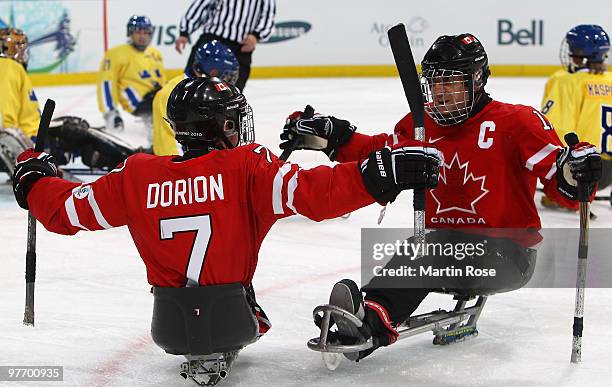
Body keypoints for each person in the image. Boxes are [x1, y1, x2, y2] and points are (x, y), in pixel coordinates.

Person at [11, 77, 442, 359]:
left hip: (170, 327)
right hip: (233, 319)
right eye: (234, 121)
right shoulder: (247, 167)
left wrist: (34, 181)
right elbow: (316, 194)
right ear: (220, 127)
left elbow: (67, 210)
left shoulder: (137, 176)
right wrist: (379, 174)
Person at [281, 33, 602, 360]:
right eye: (434, 82)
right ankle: (369, 312)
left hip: (509, 254)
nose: (440, 92)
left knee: (425, 250)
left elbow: (563, 185)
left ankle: (371, 323)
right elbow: (376, 153)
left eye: (451, 82)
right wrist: (333, 135)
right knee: (427, 248)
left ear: (477, 80)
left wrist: (574, 170)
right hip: (444, 246)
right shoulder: (419, 125)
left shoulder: (516, 122)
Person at [540, 24, 612, 210]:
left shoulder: (565, 81)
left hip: (587, 172)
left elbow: (555, 129)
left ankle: (566, 196)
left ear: (581, 54)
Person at [152, 40, 239, 156]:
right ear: (211, 72)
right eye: (226, 76)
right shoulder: (170, 94)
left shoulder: (214, 91)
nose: (228, 82)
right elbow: (170, 149)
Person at [175, 0, 276, 91]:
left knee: (232, 93)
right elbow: (201, 5)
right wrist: (185, 32)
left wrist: (255, 35)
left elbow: (268, 15)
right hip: (212, 39)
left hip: (241, 46)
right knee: (190, 84)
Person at [97, 15, 165, 132]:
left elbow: (162, 80)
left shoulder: (155, 53)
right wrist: (111, 113)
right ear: (130, 33)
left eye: (146, 32)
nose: (142, 36)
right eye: (138, 32)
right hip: (139, 102)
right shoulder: (115, 54)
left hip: (158, 97)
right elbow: (106, 83)